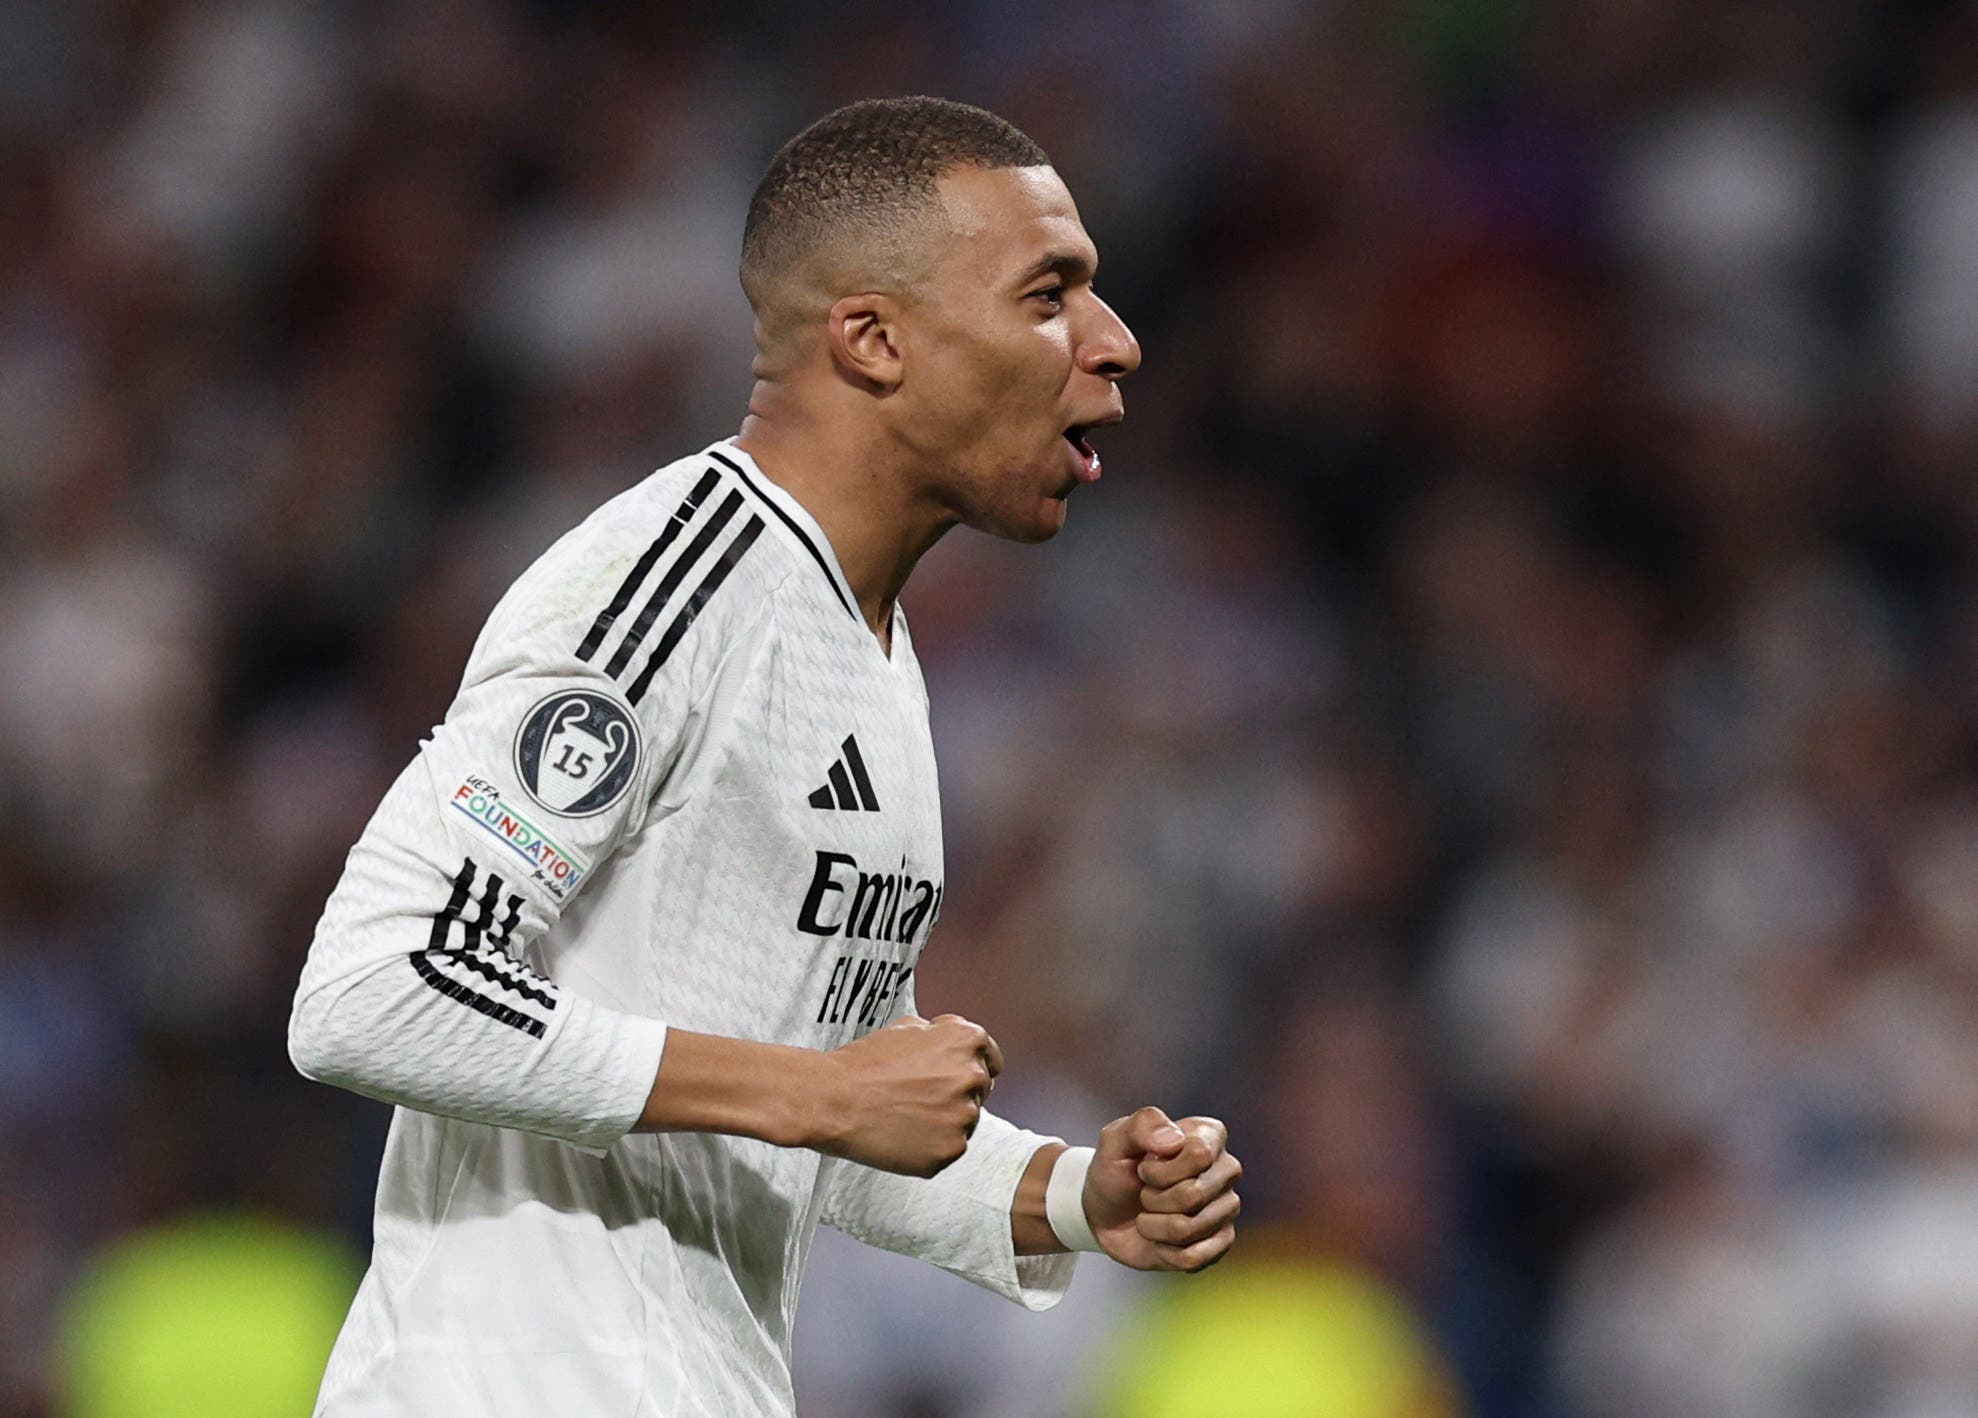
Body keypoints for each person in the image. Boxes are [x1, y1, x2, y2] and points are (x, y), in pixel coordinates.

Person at [288, 95, 1242, 1417]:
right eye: (1047, 294)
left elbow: (823, 1110)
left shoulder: (873, 650)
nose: (1113, 341)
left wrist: (1064, 1195)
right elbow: (381, 984)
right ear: (873, 338)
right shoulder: (671, 587)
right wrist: (815, 1090)